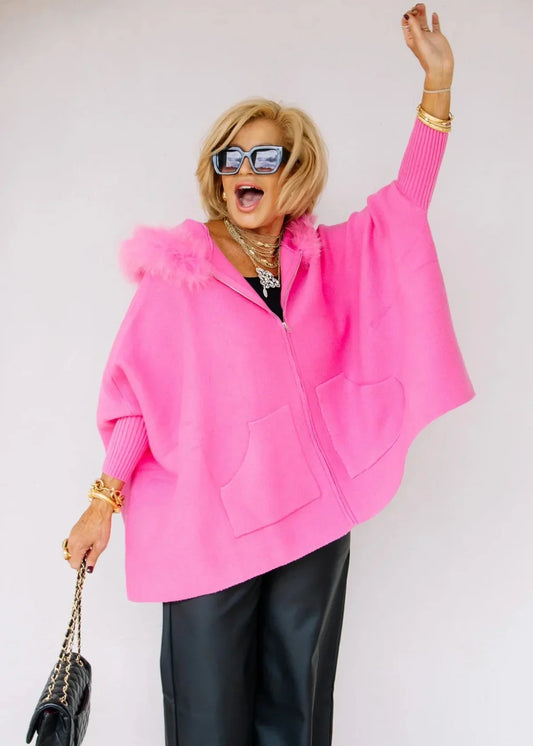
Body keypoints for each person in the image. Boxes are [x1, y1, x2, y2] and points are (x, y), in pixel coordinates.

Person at [63, 5, 475, 744]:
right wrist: (103, 502)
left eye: (263, 158)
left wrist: (437, 84)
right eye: (232, 159)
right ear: (216, 175)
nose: (244, 172)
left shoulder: (323, 260)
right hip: (210, 527)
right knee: (207, 718)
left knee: (296, 717)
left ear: (294, 174)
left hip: (309, 519)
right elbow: (136, 399)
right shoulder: (179, 272)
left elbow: (405, 208)